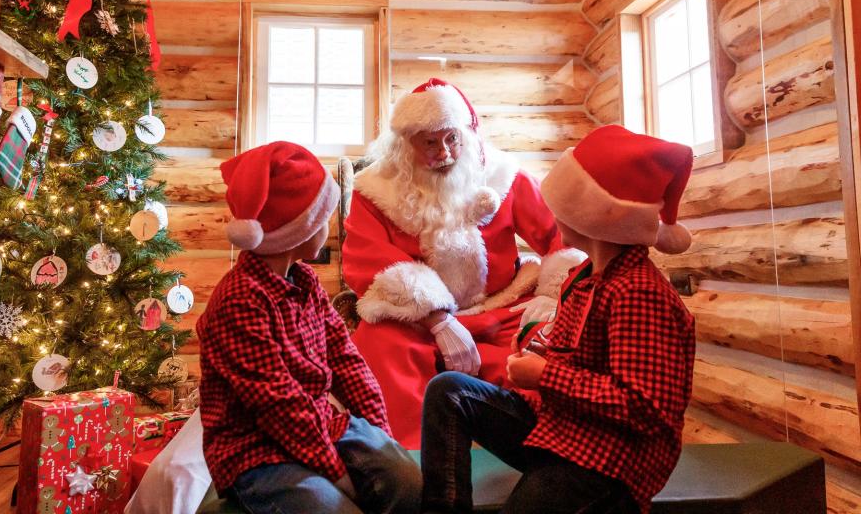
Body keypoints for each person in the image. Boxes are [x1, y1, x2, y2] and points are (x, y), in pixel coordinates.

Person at [420, 125, 697, 514]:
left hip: (609, 460)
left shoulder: (638, 292)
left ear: (597, 218)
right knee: (449, 391)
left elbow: (645, 408)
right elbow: (582, 361)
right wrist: (541, 353)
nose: (552, 215)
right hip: (563, 430)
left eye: (563, 207)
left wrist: (544, 376)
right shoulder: (584, 281)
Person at [342, 78, 584, 447]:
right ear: (405, 142)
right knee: (377, 346)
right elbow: (370, 262)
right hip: (417, 323)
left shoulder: (504, 175)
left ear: (467, 134)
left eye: (452, 138)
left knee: (551, 344)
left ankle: (543, 454)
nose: (445, 153)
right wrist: (438, 319)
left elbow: (560, 235)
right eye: (429, 142)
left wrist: (553, 297)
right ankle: (408, 460)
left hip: (502, 310)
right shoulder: (375, 190)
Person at [198, 141, 421, 514]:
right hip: (255, 450)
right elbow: (278, 405)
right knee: (333, 508)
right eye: (323, 219)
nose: (331, 227)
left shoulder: (306, 282)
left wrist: (380, 434)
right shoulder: (239, 301)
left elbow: (346, 359)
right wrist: (338, 475)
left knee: (406, 482)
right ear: (296, 231)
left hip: (319, 423)